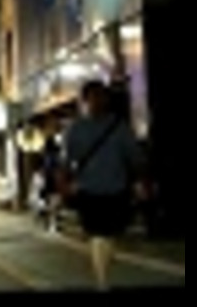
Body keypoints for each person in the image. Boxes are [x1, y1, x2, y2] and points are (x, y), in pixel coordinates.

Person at [61, 80, 144, 291]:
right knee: (101, 234)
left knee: (105, 235)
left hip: (103, 190)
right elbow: (135, 157)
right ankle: (102, 281)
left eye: (100, 96)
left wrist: (65, 184)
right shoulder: (115, 127)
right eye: (94, 97)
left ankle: (102, 276)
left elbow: (65, 162)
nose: (97, 101)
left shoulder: (79, 129)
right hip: (102, 190)